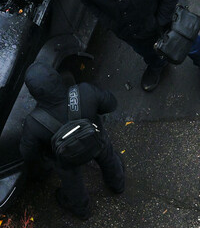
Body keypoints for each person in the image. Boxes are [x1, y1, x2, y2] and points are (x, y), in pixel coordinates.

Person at [19, 62, 124, 220]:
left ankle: (82, 210)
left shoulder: (34, 123)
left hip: (67, 159)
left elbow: (28, 153)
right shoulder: (85, 91)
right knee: (108, 157)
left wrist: (46, 163)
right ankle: (118, 184)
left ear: (34, 93)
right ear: (57, 77)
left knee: (72, 182)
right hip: (96, 140)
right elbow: (111, 103)